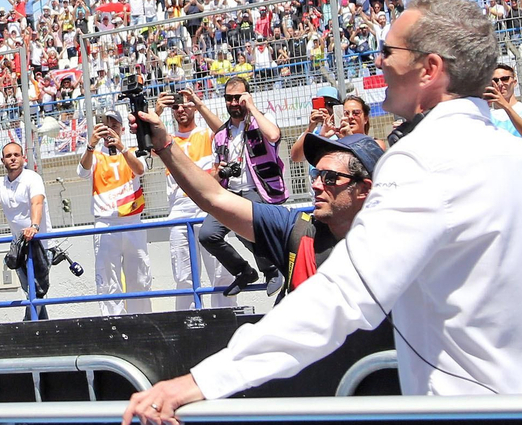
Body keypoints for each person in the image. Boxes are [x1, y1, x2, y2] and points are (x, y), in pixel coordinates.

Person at [123, 0, 522, 425]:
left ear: (430, 69)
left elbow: (343, 295)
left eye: (388, 52)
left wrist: (199, 381)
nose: (377, 63)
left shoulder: (421, 158)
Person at [146, 113, 381, 303]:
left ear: (364, 189)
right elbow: (214, 197)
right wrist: (164, 144)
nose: (317, 184)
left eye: (330, 177)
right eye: (317, 174)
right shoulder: (295, 230)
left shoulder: (395, 249)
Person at [196, 76, 289, 296]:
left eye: (238, 97)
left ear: (247, 96)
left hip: (258, 190)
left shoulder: (262, 119)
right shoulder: (221, 135)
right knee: (207, 234)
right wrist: (219, 173)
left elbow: (274, 135)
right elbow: (216, 174)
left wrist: (253, 108)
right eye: (229, 99)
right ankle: (243, 271)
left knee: (246, 228)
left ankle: (272, 269)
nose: (234, 103)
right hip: (230, 191)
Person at [160, 88, 231, 309]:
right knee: (183, 275)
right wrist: (157, 109)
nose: (180, 109)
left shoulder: (205, 133)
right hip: (179, 210)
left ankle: (224, 316)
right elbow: (146, 141)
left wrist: (198, 104)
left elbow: (223, 130)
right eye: (175, 107)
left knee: (219, 271)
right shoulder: (167, 141)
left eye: (185, 105)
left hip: (207, 206)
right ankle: (188, 322)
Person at [80, 107, 152, 316]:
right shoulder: (93, 154)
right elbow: (83, 171)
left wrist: (121, 147)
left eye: (114, 126)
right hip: (105, 223)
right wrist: (91, 145)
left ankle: (142, 319)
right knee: (107, 277)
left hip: (132, 221)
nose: (110, 131)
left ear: (121, 129)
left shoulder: (131, 149)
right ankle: (112, 320)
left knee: (139, 275)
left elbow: (140, 169)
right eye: (106, 127)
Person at [0, 142, 51, 319]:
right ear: (3, 160)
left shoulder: (32, 178)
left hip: (40, 245)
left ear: (23, 158)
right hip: (19, 247)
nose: (13, 158)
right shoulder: (1, 184)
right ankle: (43, 333)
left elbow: (37, 202)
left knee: (36, 292)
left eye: (16, 155)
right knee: (32, 294)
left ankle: (27, 330)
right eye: (9, 156)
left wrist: (34, 227)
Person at [485, 60, 522, 149]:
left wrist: (505, 106)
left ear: (514, 82)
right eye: (495, 80)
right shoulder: (486, 114)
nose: (500, 83)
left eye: (505, 79)